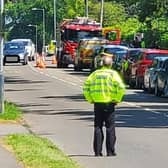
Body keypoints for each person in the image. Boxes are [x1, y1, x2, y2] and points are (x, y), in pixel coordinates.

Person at [83, 52, 126, 157]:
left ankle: (97, 152)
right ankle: (110, 151)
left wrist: (90, 99)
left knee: (98, 127)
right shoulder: (113, 74)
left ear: (102, 63)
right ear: (110, 64)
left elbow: (85, 87)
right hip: (109, 104)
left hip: (97, 103)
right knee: (110, 128)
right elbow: (121, 87)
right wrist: (117, 99)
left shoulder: (95, 74)